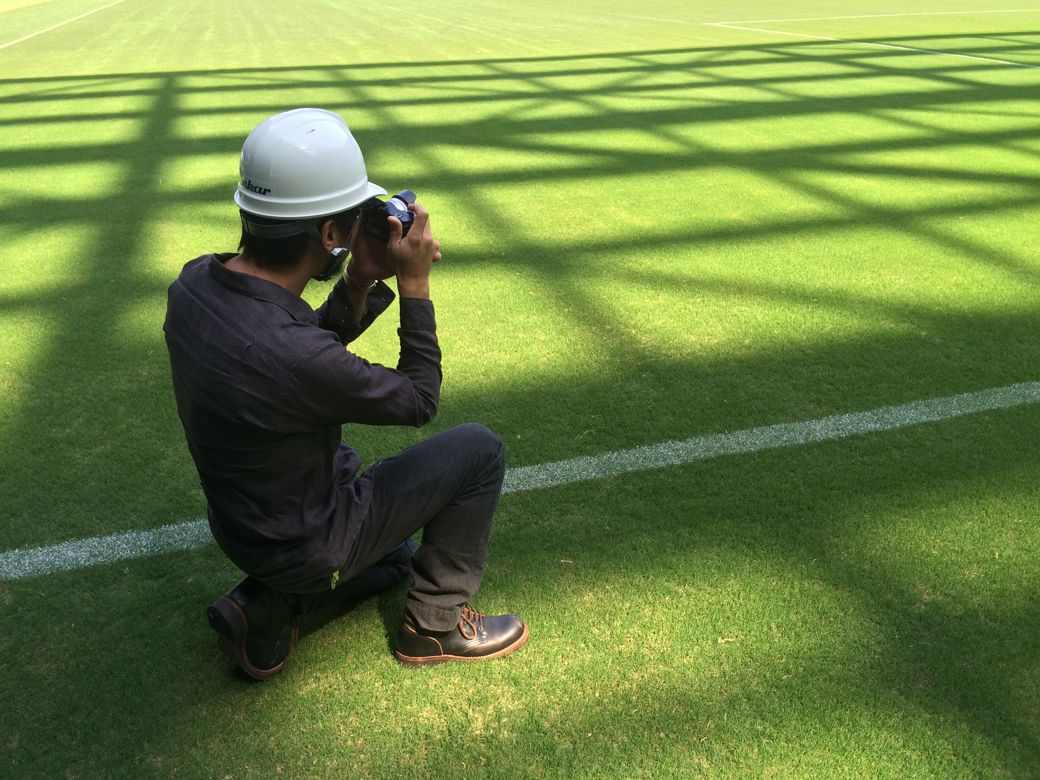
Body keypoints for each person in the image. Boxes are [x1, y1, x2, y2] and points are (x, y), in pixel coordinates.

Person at [163, 108, 527, 679]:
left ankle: (268, 602)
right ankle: (432, 628)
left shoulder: (192, 285)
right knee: (478, 451)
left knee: (399, 555)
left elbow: (291, 357)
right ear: (330, 234)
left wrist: (358, 280)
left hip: (244, 525)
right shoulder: (293, 355)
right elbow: (417, 399)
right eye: (354, 218)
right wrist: (413, 283)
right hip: (310, 539)